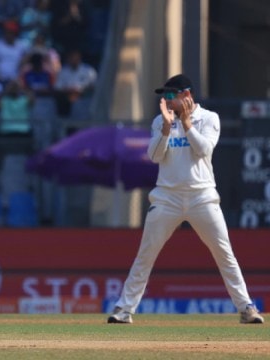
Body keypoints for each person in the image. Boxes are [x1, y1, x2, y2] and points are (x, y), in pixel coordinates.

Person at [107, 74, 264, 325]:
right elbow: (155, 156)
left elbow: (204, 150)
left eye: (171, 96)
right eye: (164, 96)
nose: (167, 101)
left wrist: (187, 123)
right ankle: (124, 310)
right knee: (146, 254)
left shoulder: (209, 118)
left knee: (224, 253)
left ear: (186, 95)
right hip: (166, 197)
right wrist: (168, 128)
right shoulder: (161, 121)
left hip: (202, 196)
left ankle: (246, 308)